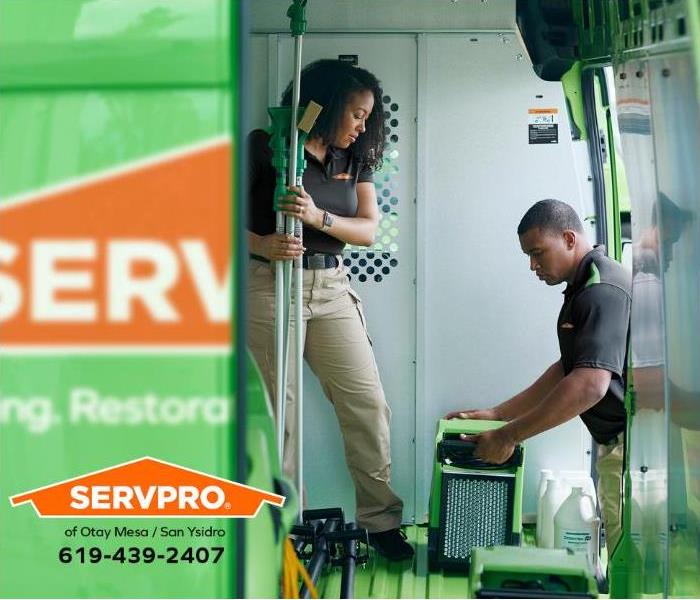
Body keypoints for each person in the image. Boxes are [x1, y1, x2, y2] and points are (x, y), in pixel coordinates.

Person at [247, 59, 412, 561]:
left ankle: (380, 521)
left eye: (367, 117)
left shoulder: (355, 158)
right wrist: (262, 244)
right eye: (357, 114)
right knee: (282, 417)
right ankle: (283, 529)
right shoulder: (266, 146)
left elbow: (367, 229)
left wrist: (318, 216)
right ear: (326, 105)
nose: (363, 126)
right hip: (272, 285)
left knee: (367, 404)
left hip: (333, 287)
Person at [446, 199, 632, 555]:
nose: (533, 265)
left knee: (625, 559)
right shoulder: (583, 286)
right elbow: (567, 368)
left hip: (628, 449)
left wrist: (509, 436)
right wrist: (498, 415)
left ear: (568, 238)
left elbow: (590, 385)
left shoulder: (601, 289)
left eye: (537, 253)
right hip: (616, 443)